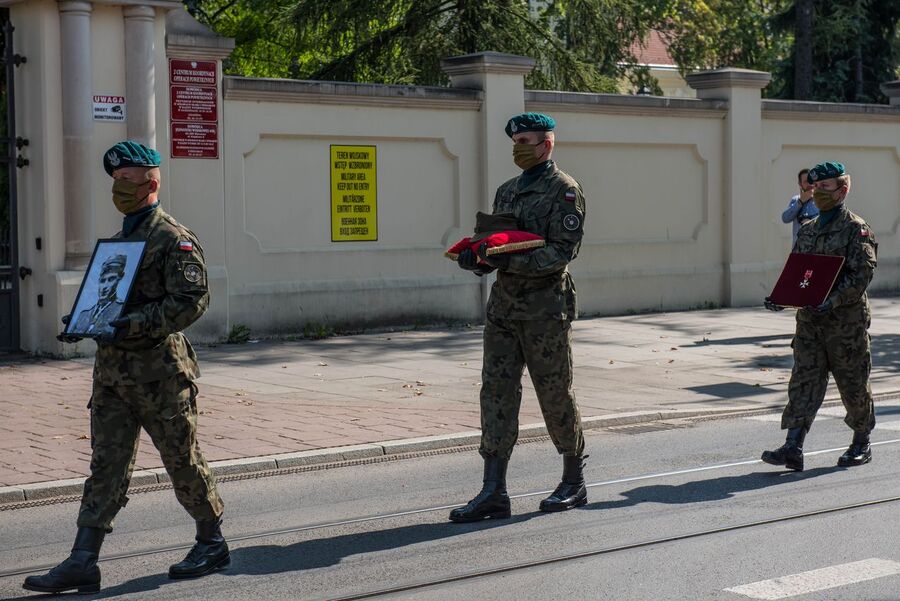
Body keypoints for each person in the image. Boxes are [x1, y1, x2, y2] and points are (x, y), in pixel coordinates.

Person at [24, 141, 228, 594]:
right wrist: (84, 322)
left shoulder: (173, 238)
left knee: (181, 460)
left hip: (160, 375)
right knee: (106, 465)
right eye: (115, 180)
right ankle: (83, 560)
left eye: (127, 181)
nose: (118, 188)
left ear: (150, 184)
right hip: (113, 375)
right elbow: (107, 301)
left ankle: (211, 541)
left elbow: (191, 301)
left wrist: (134, 322)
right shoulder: (118, 244)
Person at [450, 112, 587, 522]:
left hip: (545, 311)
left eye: (526, 141)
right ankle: (494, 490)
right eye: (516, 142)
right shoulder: (507, 191)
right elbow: (497, 243)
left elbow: (560, 253)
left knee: (554, 393)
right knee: (496, 392)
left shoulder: (565, 191)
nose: (519, 148)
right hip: (504, 310)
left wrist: (506, 261)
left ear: (547, 144)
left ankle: (573, 480)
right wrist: (478, 260)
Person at [762, 161, 877, 472]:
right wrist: (781, 298)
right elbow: (799, 273)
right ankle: (793, 446)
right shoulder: (809, 229)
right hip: (811, 323)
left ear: (843, 190)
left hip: (845, 324)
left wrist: (833, 300)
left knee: (852, 383)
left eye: (825, 187)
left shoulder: (856, 229)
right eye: (815, 188)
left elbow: (861, 275)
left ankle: (861, 441)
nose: (818, 193)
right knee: (804, 380)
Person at [72, 254, 127, 337]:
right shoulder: (84, 315)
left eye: (111, 279)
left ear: (119, 280)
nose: (105, 286)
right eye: (102, 281)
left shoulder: (120, 309)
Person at [781, 168, 819, 244]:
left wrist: (811, 222)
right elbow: (785, 218)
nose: (809, 184)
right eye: (806, 182)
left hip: (816, 247)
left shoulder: (821, 200)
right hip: (799, 248)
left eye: (811, 181)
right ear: (800, 184)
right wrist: (800, 202)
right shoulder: (796, 199)